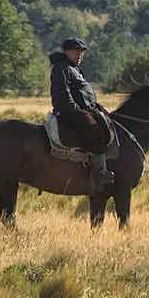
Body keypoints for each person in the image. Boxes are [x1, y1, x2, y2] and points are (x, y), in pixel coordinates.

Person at [49, 38, 114, 189]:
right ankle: (99, 173)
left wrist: (99, 107)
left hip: (79, 109)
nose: (79, 55)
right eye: (76, 51)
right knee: (95, 131)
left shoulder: (75, 69)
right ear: (66, 52)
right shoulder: (61, 68)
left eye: (82, 52)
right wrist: (80, 112)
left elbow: (82, 95)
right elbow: (63, 97)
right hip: (68, 111)